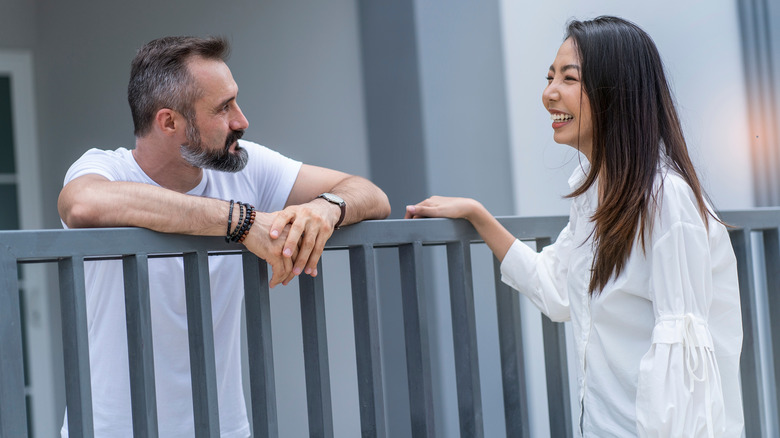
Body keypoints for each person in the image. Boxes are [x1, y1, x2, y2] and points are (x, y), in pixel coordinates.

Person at [405, 16, 743, 437]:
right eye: (550, 77)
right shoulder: (595, 198)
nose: (549, 94)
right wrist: (478, 215)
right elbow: (556, 288)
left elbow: (685, 371)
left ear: (615, 91)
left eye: (569, 78)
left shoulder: (665, 198)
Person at [57, 36, 390, 437]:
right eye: (223, 107)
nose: (241, 120)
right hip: (111, 430)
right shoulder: (105, 169)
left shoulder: (244, 167)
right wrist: (242, 223)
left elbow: (371, 194)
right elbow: (82, 205)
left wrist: (325, 208)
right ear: (169, 122)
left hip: (223, 428)